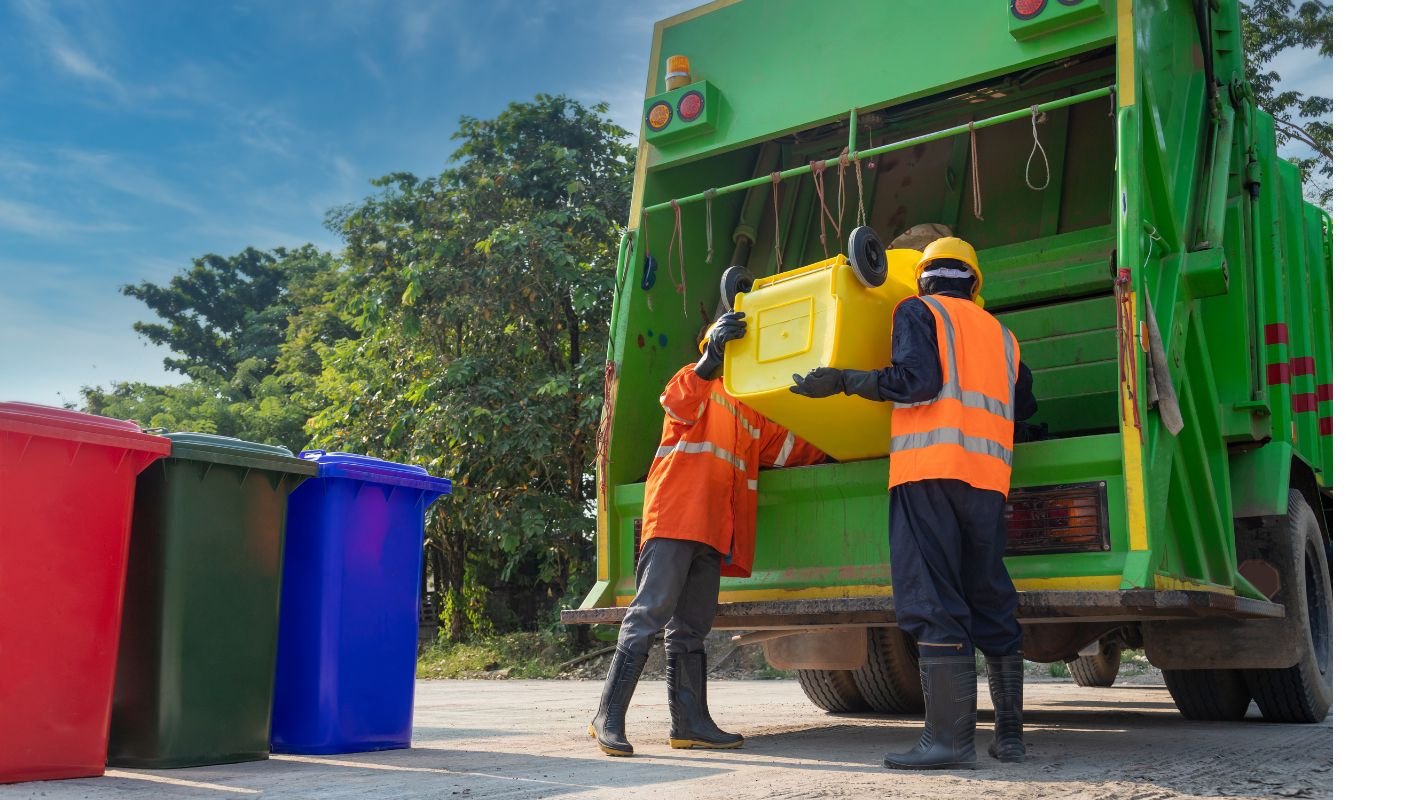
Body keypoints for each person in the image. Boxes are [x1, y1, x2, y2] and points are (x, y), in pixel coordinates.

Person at [789, 235, 1037, 770]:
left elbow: (917, 382)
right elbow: (1025, 403)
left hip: (928, 473)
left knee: (934, 601)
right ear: (975, 283)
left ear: (923, 276)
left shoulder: (917, 310)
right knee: (990, 596)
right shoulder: (1003, 335)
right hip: (988, 481)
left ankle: (948, 741)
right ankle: (1011, 737)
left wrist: (845, 381)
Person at [591, 310, 828, 757]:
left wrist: (830, 409)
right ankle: (608, 717)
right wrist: (707, 361)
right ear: (714, 348)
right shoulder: (695, 383)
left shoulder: (751, 412)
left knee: (692, 628)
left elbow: (796, 448)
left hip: (714, 530)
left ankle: (690, 725)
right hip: (677, 519)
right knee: (649, 614)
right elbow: (677, 400)